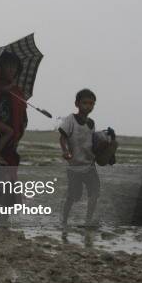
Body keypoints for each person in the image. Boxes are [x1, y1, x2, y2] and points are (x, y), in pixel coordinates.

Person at [59, 88, 100, 227]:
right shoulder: (71, 120)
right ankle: (64, 220)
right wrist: (65, 151)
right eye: (85, 103)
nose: (88, 106)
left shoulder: (92, 123)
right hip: (74, 166)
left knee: (95, 192)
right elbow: (62, 138)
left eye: (91, 103)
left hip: (89, 165)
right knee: (73, 196)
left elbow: (93, 143)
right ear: (77, 104)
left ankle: (88, 221)